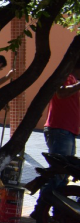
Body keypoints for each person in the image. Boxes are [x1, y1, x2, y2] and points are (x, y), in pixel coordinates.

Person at [42, 63, 80, 191]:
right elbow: (61, 93)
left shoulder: (74, 81)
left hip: (67, 131)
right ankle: (42, 207)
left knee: (64, 174)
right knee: (58, 173)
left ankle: (56, 209)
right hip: (60, 129)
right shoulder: (67, 77)